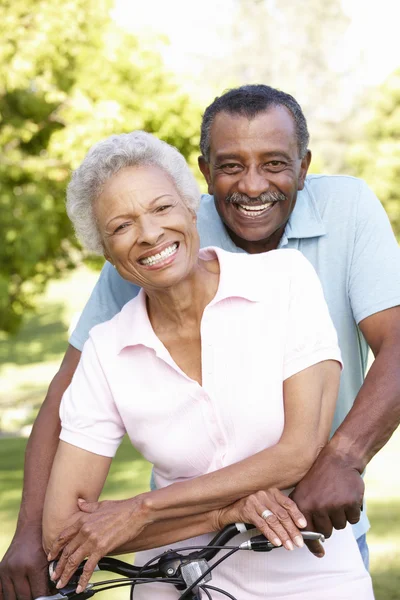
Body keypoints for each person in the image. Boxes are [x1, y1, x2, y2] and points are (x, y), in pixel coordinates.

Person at [1, 83, 400, 599]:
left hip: (314, 525)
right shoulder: (136, 283)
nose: (252, 186)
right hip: (175, 558)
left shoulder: (307, 254)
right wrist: (31, 533)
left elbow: (309, 440)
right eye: (231, 166)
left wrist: (342, 457)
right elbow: (68, 394)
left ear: (303, 167)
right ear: (204, 176)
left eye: (274, 163)